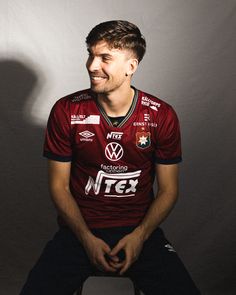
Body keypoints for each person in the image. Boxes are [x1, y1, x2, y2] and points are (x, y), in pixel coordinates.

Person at [20, 20, 200, 294]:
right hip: (78, 231)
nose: (92, 65)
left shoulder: (160, 115)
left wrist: (139, 237)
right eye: (91, 54)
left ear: (131, 66)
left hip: (140, 230)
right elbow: (59, 186)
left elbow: (168, 189)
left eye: (105, 57)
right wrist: (85, 238)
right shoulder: (66, 110)